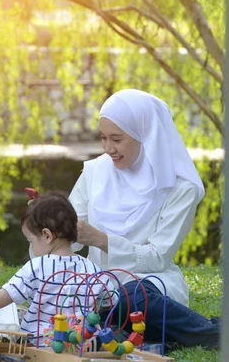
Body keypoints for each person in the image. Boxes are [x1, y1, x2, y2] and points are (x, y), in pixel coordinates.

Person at [68, 89, 220, 349]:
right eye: (103, 138)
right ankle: (135, 331)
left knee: (133, 299)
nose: (108, 148)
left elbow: (158, 257)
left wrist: (104, 241)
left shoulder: (180, 188)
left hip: (149, 285)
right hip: (97, 287)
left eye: (116, 139)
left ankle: (213, 334)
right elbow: (67, 242)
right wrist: (45, 224)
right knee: (73, 296)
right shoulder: (94, 172)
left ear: (145, 135)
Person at [0, 192, 114, 346]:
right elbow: (110, 300)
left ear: (47, 236)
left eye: (31, 241)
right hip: (83, 344)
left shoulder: (37, 266)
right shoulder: (91, 268)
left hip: (42, 344)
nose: (32, 247)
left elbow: (9, 293)